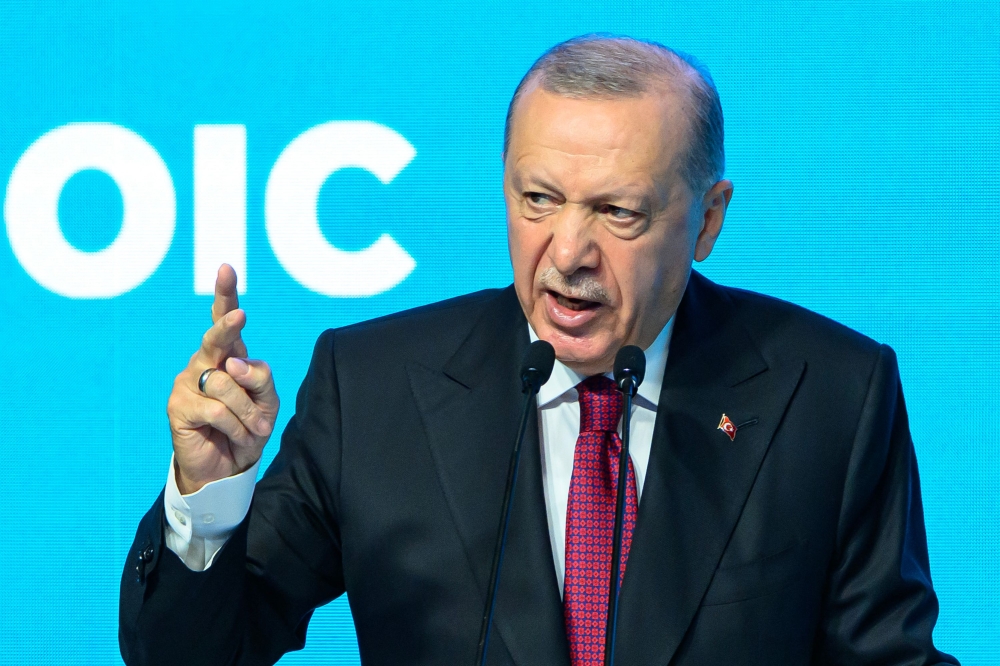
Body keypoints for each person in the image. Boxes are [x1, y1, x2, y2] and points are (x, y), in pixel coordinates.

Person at [119, 35, 958, 665]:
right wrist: (209, 495)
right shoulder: (372, 387)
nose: (567, 253)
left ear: (707, 220)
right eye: (538, 199)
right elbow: (196, 657)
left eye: (617, 212)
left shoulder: (831, 394)